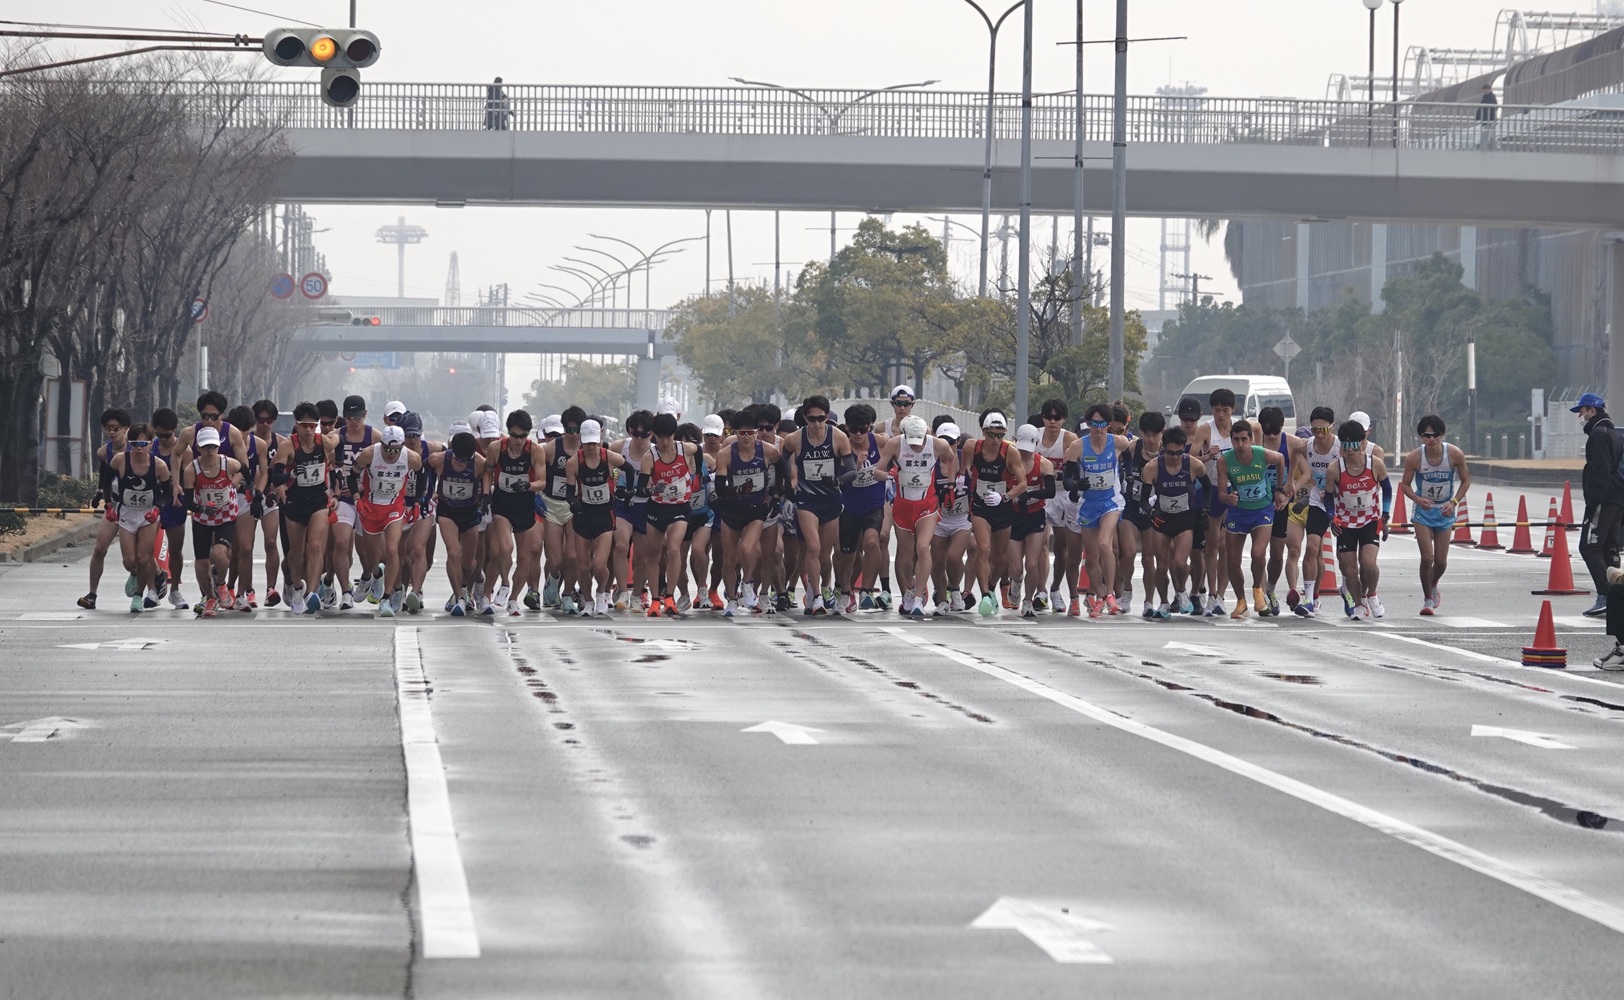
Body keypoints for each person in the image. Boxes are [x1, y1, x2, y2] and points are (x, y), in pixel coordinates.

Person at [1214, 419, 1289, 620]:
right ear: (1231, 440)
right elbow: (1221, 493)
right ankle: (1241, 602)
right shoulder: (1225, 460)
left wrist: (1279, 489)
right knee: (1232, 559)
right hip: (1238, 512)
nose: (1240, 444)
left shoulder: (1261, 454)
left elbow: (1281, 459)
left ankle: (1258, 590)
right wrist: (1228, 497)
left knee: (1257, 553)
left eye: (1244, 439)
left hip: (1262, 510)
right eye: (1236, 440)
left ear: (1251, 439)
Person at [1400, 414, 1471, 616]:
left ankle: (1433, 583)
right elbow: (1405, 485)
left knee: (1440, 561)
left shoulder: (1454, 454)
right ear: (1421, 436)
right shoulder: (1415, 458)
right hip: (1423, 512)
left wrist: (1454, 502)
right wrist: (1417, 499)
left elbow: (1466, 480)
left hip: (1445, 511)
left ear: (1442, 435)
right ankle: (1427, 599)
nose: (1431, 439)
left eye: (1435, 435)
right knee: (1426, 558)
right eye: (1426, 435)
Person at [272, 403, 337, 616]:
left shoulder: (324, 444)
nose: (308, 430)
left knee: (316, 546)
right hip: (295, 502)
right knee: (296, 552)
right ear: (297, 426)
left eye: (312, 425)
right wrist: (290, 475)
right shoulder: (288, 446)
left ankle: (311, 592)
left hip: (318, 501)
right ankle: (297, 587)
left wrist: (335, 493)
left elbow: (336, 466)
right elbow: (275, 476)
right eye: (304, 426)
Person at [1322, 420, 1388, 622]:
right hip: (1345, 522)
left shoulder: (1375, 463)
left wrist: (1385, 516)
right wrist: (1331, 517)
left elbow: (1388, 490)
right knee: (1349, 569)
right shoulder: (1335, 469)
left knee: (1368, 564)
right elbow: (1328, 497)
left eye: (1353, 445)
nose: (1349, 450)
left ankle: (1372, 595)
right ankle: (1359, 604)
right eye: (1345, 445)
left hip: (1369, 520)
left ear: (1362, 443)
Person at [180, 426, 244, 618]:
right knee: (201, 561)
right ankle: (210, 597)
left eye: (213, 447)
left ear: (218, 447)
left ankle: (221, 583)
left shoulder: (228, 464)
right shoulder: (192, 470)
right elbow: (187, 501)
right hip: (202, 518)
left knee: (219, 553)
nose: (210, 451)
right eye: (205, 447)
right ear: (198, 448)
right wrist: (202, 508)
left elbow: (246, 471)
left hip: (225, 515)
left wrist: (234, 483)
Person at [108, 422, 172, 614]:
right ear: (129, 443)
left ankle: (138, 595)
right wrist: (109, 503)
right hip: (127, 512)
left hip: (147, 514)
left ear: (151, 444)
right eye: (135, 443)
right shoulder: (120, 460)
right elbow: (107, 479)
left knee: (143, 558)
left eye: (144, 444)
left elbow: (167, 494)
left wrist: (158, 509)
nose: (139, 448)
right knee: (129, 560)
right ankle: (134, 574)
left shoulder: (159, 466)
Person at [1574, 392, 1623, 616]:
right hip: (1616, 499)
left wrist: (1594, 503)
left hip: (1603, 500)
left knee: (1589, 546)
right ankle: (1615, 597)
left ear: (1592, 411)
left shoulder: (1599, 434)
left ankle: (1605, 595)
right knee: (1608, 547)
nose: (1581, 417)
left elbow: (1601, 470)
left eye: (1582, 412)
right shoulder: (1611, 432)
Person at [79, 407, 132, 609]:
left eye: (116, 428)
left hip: (136, 508)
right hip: (115, 504)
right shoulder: (104, 451)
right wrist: (100, 493)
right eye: (108, 428)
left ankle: (151, 579)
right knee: (100, 548)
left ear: (125, 429)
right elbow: (105, 472)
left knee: (134, 559)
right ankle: (92, 594)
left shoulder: (136, 448)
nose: (112, 432)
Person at [1475, 83, 1498, 150]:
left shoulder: (1491, 98)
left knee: (1486, 135)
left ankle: (1483, 149)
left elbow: (1484, 108)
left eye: (1487, 89)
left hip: (1489, 119)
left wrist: (1478, 116)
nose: (1485, 91)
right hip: (1487, 120)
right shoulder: (1485, 98)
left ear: (1490, 90)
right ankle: (1496, 149)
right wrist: (1477, 116)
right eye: (1484, 89)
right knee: (1490, 136)